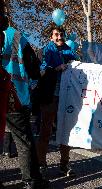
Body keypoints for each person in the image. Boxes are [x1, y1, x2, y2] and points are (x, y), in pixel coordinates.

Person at [0, 13, 49, 189]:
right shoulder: (16, 36)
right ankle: (32, 181)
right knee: (23, 139)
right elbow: (33, 68)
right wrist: (42, 73)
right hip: (14, 95)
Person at [37, 25, 77, 177]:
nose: (59, 37)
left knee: (66, 131)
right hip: (50, 96)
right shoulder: (45, 51)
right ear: (51, 37)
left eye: (61, 34)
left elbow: (79, 70)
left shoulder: (70, 51)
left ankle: (64, 164)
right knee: (46, 130)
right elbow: (40, 70)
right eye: (56, 35)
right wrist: (56, 68)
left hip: (67, 97)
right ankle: (41, 164)